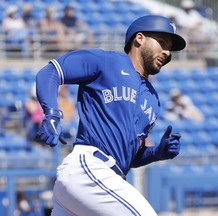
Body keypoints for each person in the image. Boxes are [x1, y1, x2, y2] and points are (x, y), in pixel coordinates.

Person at [35, 15, 185, 215]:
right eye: (162, 43)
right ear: (139, 38)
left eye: (170, 48)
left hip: (102, 183)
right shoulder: (107, 61)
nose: (167, 52)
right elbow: (51, 72)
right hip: (89, 169)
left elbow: (129, 156)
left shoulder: (153, 100)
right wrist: (52, 113)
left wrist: (156, 153)